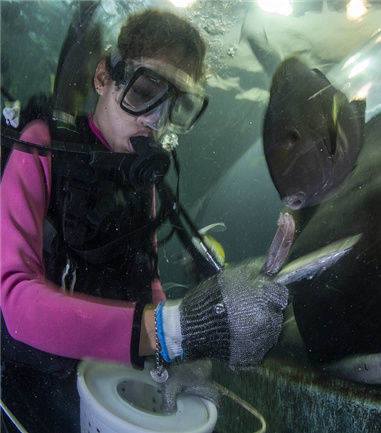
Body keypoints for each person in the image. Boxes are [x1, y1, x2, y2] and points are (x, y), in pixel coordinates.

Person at [1, 10, 287, 433]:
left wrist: (172, 357)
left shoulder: (145, 184)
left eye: (176, 105)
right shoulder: (41, 147)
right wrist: (167, 332)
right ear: (104, 77)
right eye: (145, 91)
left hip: (104, 381)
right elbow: (16, 304)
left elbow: (145, 281)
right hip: (25, 390)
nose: (155, 119)